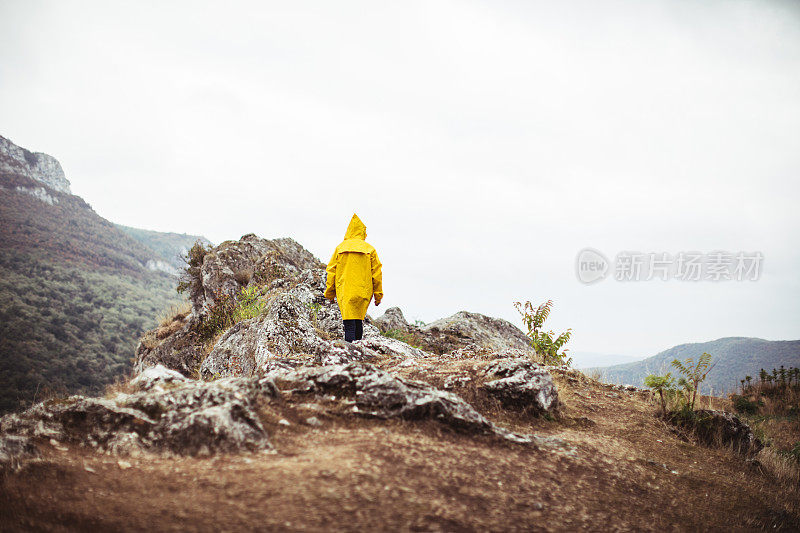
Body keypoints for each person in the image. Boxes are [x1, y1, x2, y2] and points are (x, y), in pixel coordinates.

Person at [324, 214, 383, 342]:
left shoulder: (340, 248)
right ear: (362, 232)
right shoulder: (370, 249)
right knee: (358, 322)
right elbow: (377, 275)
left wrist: (330, 293)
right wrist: (378, 296)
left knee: (349, 325)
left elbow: (331, 272)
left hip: (345, 291)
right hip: (363, 292)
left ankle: (350, 355)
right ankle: (358, 353)